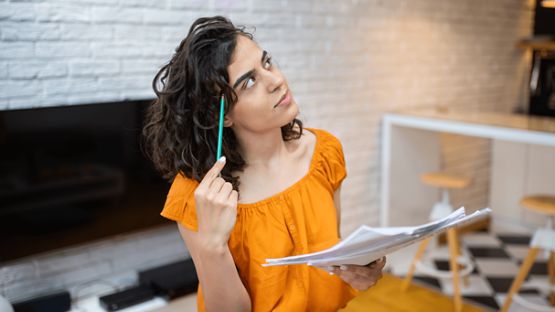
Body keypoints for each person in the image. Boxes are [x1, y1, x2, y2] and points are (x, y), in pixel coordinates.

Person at [142, 16, 385, 312]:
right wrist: (212, 246)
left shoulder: (324, 153)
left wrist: (361, 270)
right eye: (249, 81)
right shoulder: (198, 196)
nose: (276, 80)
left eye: (267, 63)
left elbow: (332, 257)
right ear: (224, 116)